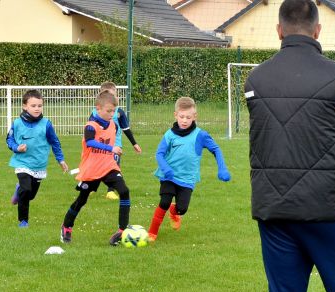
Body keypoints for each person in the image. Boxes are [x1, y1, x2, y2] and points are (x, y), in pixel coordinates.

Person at [244, 0, 335, 292]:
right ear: (317, 30)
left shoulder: (255, 79)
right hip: (330, 208)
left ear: (279, 31)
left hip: (275, 210)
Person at [147, 97, 231, 242]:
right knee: (164, 201)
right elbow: (159, 154)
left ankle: (175, 212)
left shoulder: (201, 135)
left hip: (187, 178)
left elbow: (216, 149)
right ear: (175, 115)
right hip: (168, 176)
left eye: (188, 117)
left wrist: (222, 168)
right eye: (181, 117)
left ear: (194, 117)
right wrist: (166, 168)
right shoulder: (169, 134)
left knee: (182, 208)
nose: (184, 120)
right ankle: (152, 233)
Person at [60, 90, 132, 246]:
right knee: (82, 199)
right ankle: (67, 226)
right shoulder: (91, 126)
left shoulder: (113, 124)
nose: (112, 114)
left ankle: (121, 230)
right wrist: (112, 149)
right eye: (108, 111)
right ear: (98, 108)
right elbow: (90, 142)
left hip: (108, 166)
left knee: (124, 191)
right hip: (92, 169)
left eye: (114, 111)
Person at [6, 89, 69, 227]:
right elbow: (9, 140)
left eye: (39, 106)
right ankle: (23, 221)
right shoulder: (17, 123)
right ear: (24, 106)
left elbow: (55, 142)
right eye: (33, 106)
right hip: (22, 163)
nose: (37, 109)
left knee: (31, 195)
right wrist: (17, 148)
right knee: (26, 189)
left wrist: (61, 159)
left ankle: (18, 190)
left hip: (39, 165)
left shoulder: (46, 124)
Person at [90, 81, 142, 201]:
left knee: (114, 166)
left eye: (115, 95)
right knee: (98, 166)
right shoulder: (95, 112)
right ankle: (91, 187)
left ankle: (110, 191)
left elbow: (126, 129)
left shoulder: (119, 112)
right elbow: (90, 129)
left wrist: (134, 143)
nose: (114, 98)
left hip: (116, 145)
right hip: (101, 146)